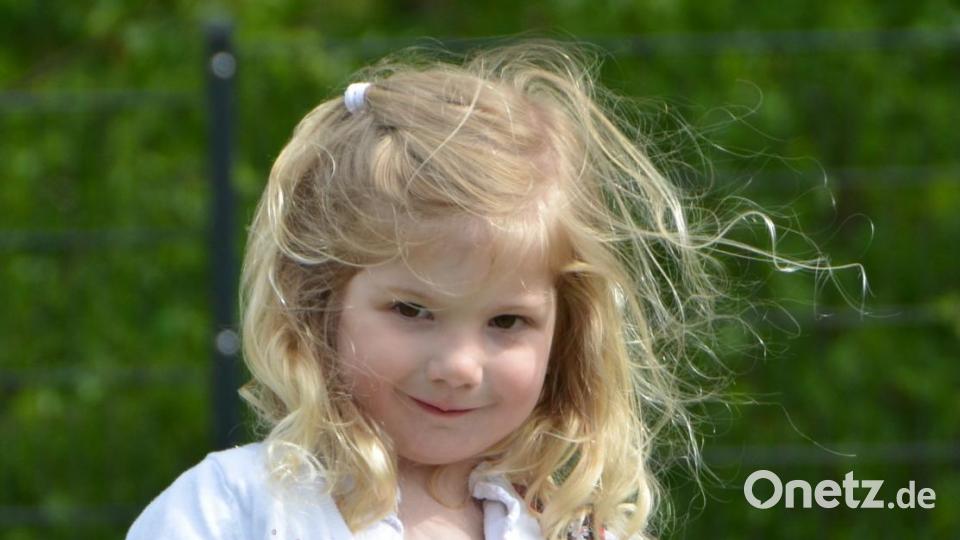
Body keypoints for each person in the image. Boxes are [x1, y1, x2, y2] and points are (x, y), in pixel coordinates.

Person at [127, 39, 850, 539]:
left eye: (507, 322)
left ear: (564, 332)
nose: (460, 364)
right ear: (321, 300)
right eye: (413, 310)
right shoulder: (238, 510)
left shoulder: (567, 526)